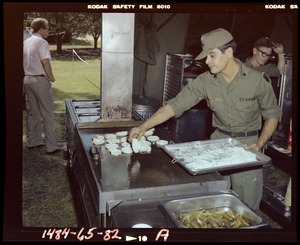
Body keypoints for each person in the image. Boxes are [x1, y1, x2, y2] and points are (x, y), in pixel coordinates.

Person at [128, 28, 282, 211]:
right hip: (218, 143)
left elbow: (272, 115)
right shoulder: (205, 81)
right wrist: (143, 127)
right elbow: (174, 105)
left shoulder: (257, 81)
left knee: (247, 206)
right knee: (212, 201)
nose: (206, 61)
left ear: (229, 52)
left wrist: (259, 144)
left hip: (248, 146)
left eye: (212, 55)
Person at [23, 18, 61, 155]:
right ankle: (52, 147)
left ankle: (33, 142)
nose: (48, 31)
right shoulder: (42, 42)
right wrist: (51, 77)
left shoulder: (25, 42)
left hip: (27, 80)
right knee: (48, 114)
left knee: (34, 113)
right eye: (47, 28)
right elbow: (45, 62)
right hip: (39, 81)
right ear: (41, 29)